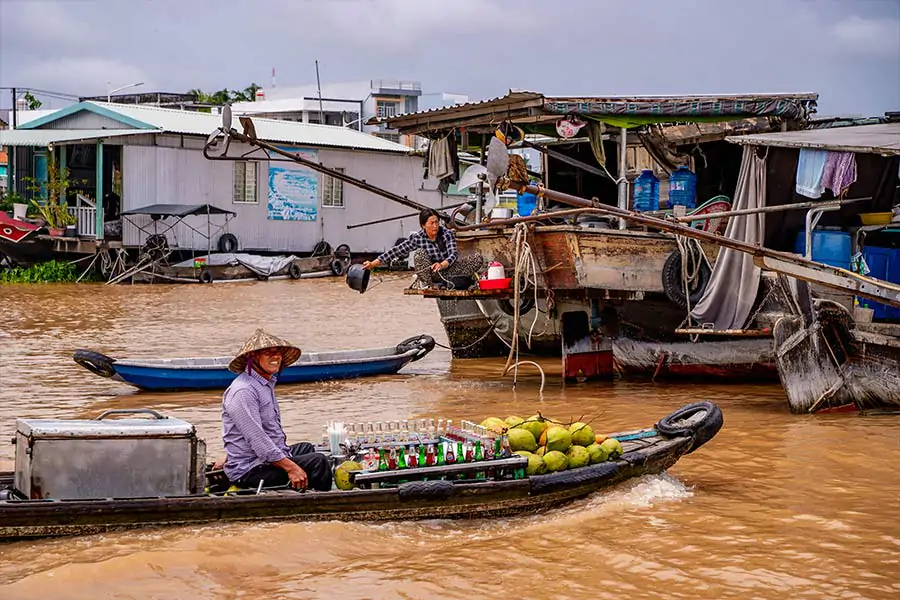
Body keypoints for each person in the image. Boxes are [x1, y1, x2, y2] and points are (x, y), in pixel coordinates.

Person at [221, 328, 332, 492]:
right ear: (253, 358)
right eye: (268, 353)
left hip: (261, 460)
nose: (276, 357)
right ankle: (324, 507)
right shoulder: (243, 391)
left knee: (307, 447)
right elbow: (258, 440)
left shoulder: (263, 384)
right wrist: (291, 468)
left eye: (277, 352)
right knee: (318, 462)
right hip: (251, 470)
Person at [362, 208, 484, 288]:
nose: (435, 226)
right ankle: (432, 285)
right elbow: (395, 251)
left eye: (436, 222)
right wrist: (372, 264)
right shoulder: (418, 238)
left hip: (449, 271)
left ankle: (449, 282)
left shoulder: (447, 233)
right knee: (419, 254)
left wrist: (441, 265)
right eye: (431, 223)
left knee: (477, 258)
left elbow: (453, 254)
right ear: (423, 225)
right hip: (432, 275)